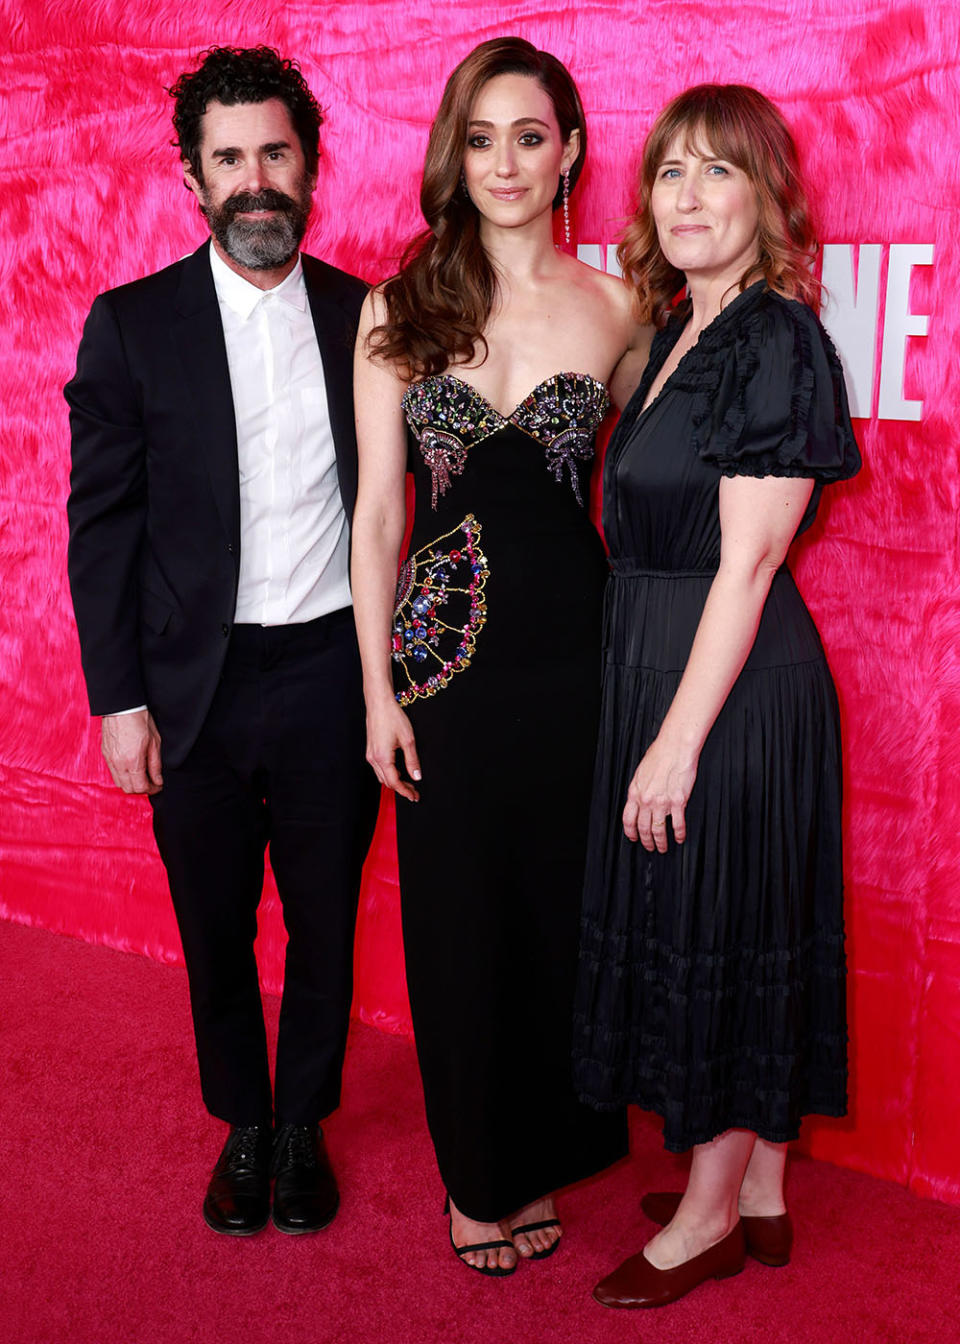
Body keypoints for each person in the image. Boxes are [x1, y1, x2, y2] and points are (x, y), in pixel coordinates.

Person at [65, 46, 379, 1237]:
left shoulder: (367, 316)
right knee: (214, 924)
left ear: (311, 167)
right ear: (195, 179)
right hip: (191, 686)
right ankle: (243, 1125)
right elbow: (103, 528)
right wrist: (118, 698)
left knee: (324, 922)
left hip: (332, 677)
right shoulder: (132, 327)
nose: (257, 181)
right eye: (231, 158)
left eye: (276, 154)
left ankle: (303, 1125)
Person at [351, 37, 645, 1275]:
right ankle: (478, 1177)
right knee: (462, 920)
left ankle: (553, 1155)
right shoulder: (400, 304)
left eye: (530, 136)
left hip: (579, 657)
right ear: (452, 156)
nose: (507, 162)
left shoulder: (623, 306)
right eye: (481, 138)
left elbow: (642, 490)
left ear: (571, 150)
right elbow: (376, 511)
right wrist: (376, 689)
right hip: (444, 664)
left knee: (558, 913)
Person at [573, 84, 861, 1309]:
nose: (687, 197)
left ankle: (707, 1222)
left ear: (767, 197)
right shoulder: (684, 324)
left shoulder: (774, 338)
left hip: (730, 691)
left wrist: (676, 743)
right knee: (739, 925)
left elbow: (746, 562)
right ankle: (759, 1185)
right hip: (676, 662)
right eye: (670, 173)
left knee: (724, 927)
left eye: (719, 173)